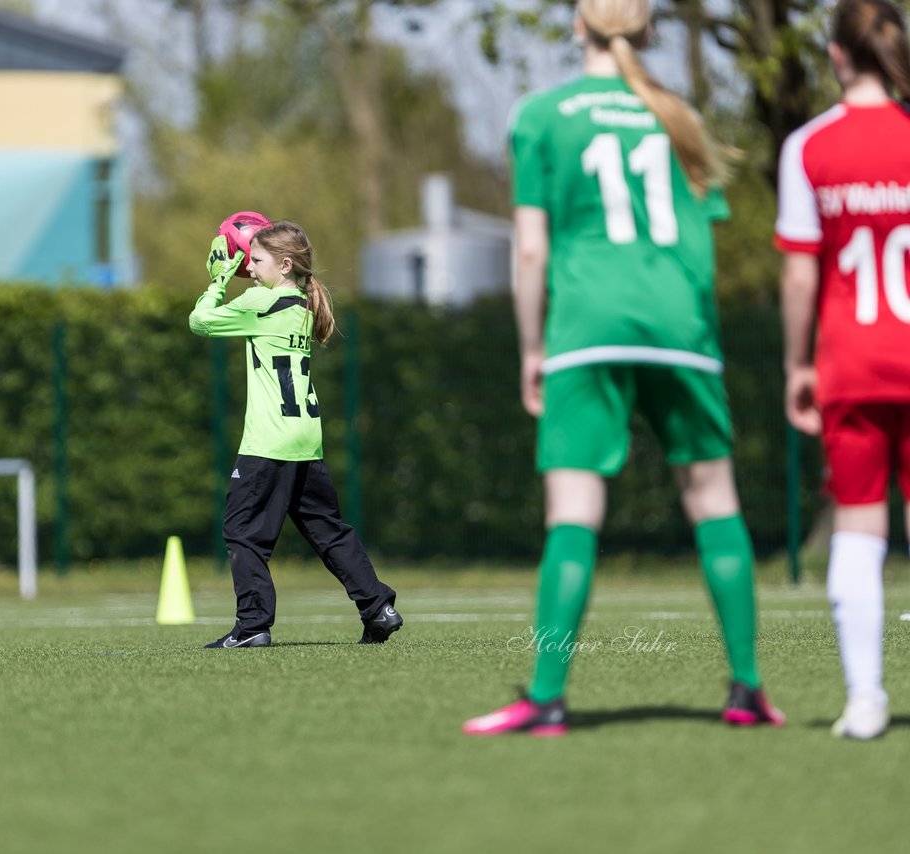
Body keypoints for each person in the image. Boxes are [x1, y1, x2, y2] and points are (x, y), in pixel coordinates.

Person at [463, 0, 784, 736]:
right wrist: (699, 335)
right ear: (647, 31)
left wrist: (532, 349)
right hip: (680, 328)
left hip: (586, 327)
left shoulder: (542, 114)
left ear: (580, 27)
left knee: (573, 514)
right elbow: (702, 251)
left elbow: (532, 249)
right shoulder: (681, 116)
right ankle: (747, 690)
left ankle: (546, 697)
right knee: (715, 502)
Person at [776, 0, 910, 741]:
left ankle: (865, 699)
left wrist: (798, 364)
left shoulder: (808, 146)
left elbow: (799, 278)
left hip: (853, 366)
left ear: (835, 54)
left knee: (860, 528)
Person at [188, 220, 402, 648]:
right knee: (329, 531)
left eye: (257, 259)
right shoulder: (305, 306)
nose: (249, 266)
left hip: (267, 443)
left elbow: (200, 322)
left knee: (242, 532)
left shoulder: (259, 302)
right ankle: (378, 607)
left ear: (284, 264)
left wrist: (218, 278)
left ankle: (251, 627)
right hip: (306, 441)